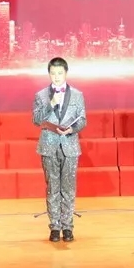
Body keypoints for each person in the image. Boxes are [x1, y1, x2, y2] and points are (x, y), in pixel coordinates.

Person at [32, 57, 87, 242]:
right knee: (52, 187)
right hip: (48, 145)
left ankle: (68, 226)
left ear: (66, 73)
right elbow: (36, 120)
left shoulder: (77, 95)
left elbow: (83, 120)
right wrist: (51, 103)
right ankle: (54, 227)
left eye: (60, 73)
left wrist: (72, 129)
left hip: (70, 145)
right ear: (49, 74)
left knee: (68, 188)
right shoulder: (41, 95)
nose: (56, 77)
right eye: (53, 73)